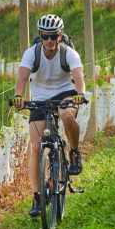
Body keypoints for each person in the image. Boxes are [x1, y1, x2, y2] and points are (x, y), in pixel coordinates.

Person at [12, 13, 87, 218]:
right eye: (45, 36)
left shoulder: (68, 53)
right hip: (40, 97)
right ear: (40, 36)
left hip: (65, 92)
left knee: (67, 115)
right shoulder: (32, 53)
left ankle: (73, 151)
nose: (49, 41)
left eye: (54, 36)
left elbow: (78, 75)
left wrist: (80, 94)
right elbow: (23, 76)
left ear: (60, 36)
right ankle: (37, 196)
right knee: (36, 147)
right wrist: (18, 96)